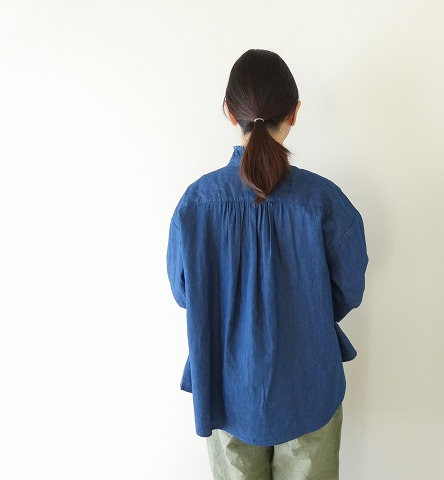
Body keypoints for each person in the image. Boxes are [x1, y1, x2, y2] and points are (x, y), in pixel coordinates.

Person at [166, 49, 368, 479]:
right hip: (309, 385)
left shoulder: (196, 205)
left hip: (226, 388)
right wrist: (305, 312)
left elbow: (186, 294)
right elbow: (350, 287)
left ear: (228, 112)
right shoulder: (324, 201)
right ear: (294, 113)